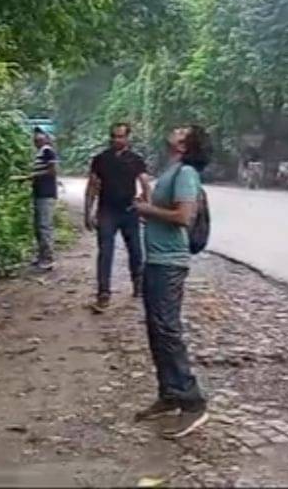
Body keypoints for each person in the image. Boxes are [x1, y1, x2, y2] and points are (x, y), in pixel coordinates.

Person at [131, 124, 211, 439]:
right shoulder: (173, 170)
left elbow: (183, 217)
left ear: (186, 143)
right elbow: (166, 212)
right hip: (156, 259)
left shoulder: (187, 173)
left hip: (170, 262)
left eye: (182, 130)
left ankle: (193, 402)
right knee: (156, 329)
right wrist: (147, 211)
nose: (175, 130)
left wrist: (145, 208)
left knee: (167, 329)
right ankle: (169, 394)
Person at [85, 123, 151, 310]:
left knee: (135, 250)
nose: (117, 140)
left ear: (128, 137)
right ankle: (103, 292)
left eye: (121, 136)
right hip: (107, 211)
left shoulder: (135, 160)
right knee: (105, 251)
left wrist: (147, 206)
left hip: (129, 210)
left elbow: (145, 183)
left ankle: (137, 282)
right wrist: (88, 211)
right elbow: (92, 185)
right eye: (114, 136)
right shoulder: (101, 159)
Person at [15, 128, 59, 270]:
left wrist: (29, 177)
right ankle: (41, 255)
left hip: (46, 193)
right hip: (39, 193)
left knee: (44, 226)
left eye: (40, 137)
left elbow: (52, 171)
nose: (37, 140)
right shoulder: (39, 153)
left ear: (46, 138)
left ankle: (48, 258)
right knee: (39, 226)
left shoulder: (48, 151)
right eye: (35, 138)